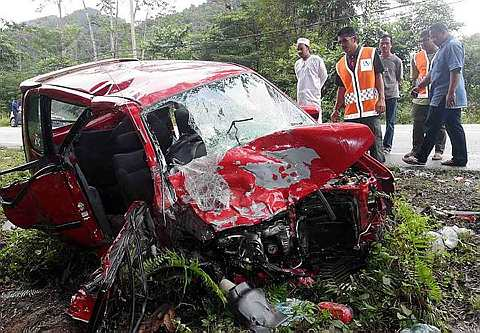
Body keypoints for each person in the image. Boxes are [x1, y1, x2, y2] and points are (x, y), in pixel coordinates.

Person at [403, 23, 468, 167]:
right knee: (453, 126)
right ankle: (460, 158)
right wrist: (419, 87)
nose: (433, 40)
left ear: (443, 32)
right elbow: (432, 74)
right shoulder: (442, 49)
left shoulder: (453, 45)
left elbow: (455, 71)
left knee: (432, 125)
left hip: (445, 95)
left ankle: (420, 157)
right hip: (441, 94)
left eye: (434, 36)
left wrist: (450, 93)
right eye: (431, 37)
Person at [331, 26, 386, 163]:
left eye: (345, 41)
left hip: (370, 111)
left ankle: (380, 178)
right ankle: (358, 178)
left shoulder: (370, 53)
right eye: (340, 42)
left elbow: (378, 77)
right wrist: (336, 109)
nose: (342, 45)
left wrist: (381, 99)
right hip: (351, 115)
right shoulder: (340, 64)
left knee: (376, 147)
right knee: (352, 151)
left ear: (354, 39)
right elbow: (341, 89)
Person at [404, 30, 446, 161]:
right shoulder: (416, 56)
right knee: (418, 123)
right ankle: (416, 149)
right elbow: (415, 77)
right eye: (420, 41)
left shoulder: (441, 52)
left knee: (438, 123)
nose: (422, 43)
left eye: (425, 40)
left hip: (437, 93)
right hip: (421, 95)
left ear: (431, 39)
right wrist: (414, 89)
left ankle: (439, 150)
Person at [379, 34, 403, 153]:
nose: (384, 45)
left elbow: (399, 78)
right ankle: (376, 146)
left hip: (392, 94)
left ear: (391, 45)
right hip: (378, 95)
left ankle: (387, 146)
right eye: (382, 43)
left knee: (390, 122)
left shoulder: (396, 60)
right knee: (374, 121)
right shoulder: (377, 59)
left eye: (387, 43)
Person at [294, 37, 328, 123]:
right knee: (303, 122)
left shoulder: (316, 60)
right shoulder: (297, 64)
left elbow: (324, 76)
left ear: (308, 48)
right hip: (301, 98)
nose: (299, 52)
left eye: (301, 49)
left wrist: (316, 88)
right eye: (298, 49)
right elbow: (300, 79)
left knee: (315, 121)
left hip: (313, 98)